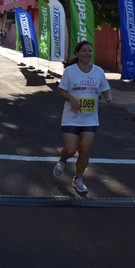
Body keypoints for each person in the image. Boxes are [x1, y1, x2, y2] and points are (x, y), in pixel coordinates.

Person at [52, 40, 112, 194]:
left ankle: (78, 178)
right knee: (71, 150)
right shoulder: (70, 71)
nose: (87, 53)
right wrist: (71, 99)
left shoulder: (98, 71)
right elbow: (60, 91)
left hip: (90, 119)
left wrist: (108, 99)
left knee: (84, 151)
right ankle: (63, 160)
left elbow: (105, 88)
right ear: (77, 54)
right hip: (71, 117)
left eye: (90, 51)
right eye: (84, 51)